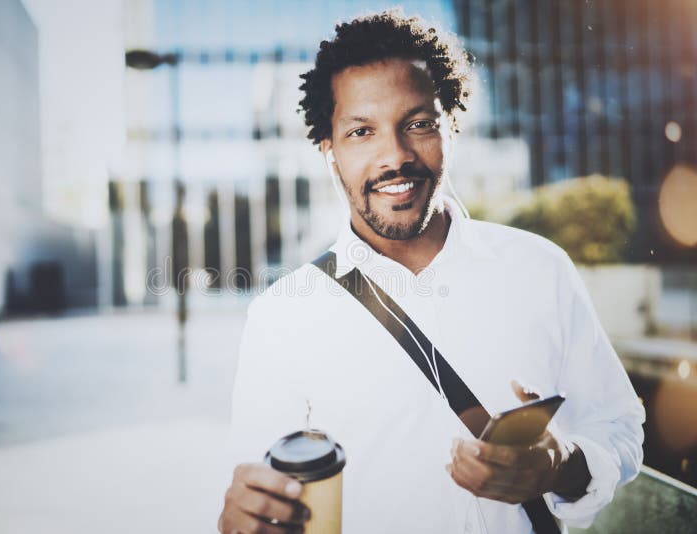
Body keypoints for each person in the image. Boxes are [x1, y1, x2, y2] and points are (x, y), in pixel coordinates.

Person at [218, 10, 644, 534]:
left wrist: (562, 464)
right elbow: (260, 490)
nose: (394, 156)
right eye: (361, 132)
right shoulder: (281, 316)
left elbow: (619, 427)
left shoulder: (540, 269)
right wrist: (250, 520)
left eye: (418, 124)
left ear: (451, 127)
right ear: (329, 150)